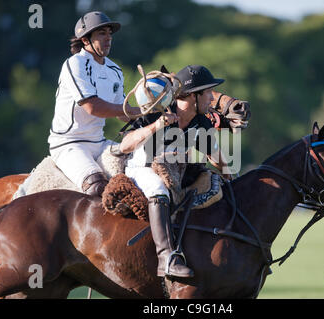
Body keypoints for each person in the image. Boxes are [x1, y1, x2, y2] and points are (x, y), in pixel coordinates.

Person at [119, 65, 231, 278]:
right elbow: (125, 146)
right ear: (191, 96)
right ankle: (166, 259)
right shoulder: (156, 111)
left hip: (177, 173)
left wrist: (227, 172)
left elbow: (214, 154)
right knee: (159, 188)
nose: (211, 98)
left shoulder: (201, 122)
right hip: (141, 170)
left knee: (212, 185)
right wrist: (156, 126)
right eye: (207, 92)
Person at [48, 11, 140, 196]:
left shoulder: (114, 70)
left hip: (99, 143)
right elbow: (93, 107)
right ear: (85, 40)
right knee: (97, 187)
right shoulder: (75, 64)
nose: (108, 39)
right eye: (101, 34)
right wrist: (137, 109)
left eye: (109, 34)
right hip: (69, 144)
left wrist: (154, 112)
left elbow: (123, 114)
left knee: (140, 170)